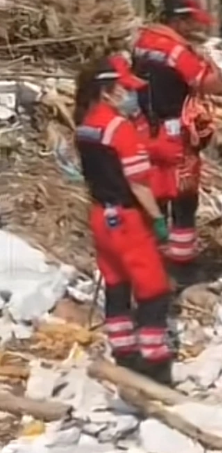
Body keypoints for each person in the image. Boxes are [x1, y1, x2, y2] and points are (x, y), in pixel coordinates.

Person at [74, 54, 174, 384]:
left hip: (100, 215)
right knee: (153, 288)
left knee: (116, 285)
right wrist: (158, 219)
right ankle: (155, 362)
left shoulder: (86, 125)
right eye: (123, 88)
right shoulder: (120, 129)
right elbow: (138, 183)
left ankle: (123, 352)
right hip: (127, 219)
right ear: (107, 91)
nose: (129, 95)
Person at [132, 0, 222, 273]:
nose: (196, 28)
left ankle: (152, 257)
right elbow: (211, 84)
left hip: (144, 131)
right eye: (191, 23)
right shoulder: (176, 52)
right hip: (174, 137)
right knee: (184, 199)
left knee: (155, 194)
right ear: (179, 21)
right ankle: (181, 265)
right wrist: (212, 66)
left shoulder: (142, 42)